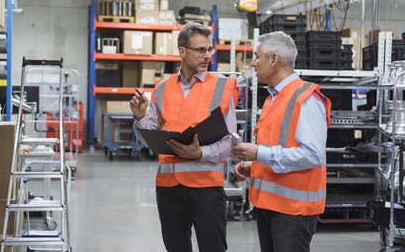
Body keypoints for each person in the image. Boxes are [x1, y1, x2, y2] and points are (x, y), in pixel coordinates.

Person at [130, 22, 237, 252]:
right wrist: (140, 118)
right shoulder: (161, 88)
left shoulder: (221, 87)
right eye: (201, 50)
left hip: (207, 186)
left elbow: (229, 143)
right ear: (182, 51)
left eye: (210, 50)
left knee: (213, 247)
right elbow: (150, 138)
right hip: (168, 187)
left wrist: (200, 153)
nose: (207, 56)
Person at [232, 31, 331, 252]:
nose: (253, 63)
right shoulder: (273, 97)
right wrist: (255, 166)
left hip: (293, 212)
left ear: (274, 59)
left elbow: (313, 156)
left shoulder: (306, 99)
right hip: (269, 206)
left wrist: (258, 154)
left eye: (257, 56)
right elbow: (279, 147)